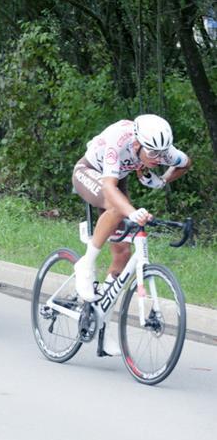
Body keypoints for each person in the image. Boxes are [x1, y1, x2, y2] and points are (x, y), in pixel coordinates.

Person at [71, 114, 191, 354]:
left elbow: (185, 163)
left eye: (162, 154)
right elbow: (108, 187)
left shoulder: (159, 149)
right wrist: (131, 212)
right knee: (118, 207)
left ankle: (101, 323)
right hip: (90, 172)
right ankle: (86, 264)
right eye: (153, 154)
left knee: (123, 254)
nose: (158, 159)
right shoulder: (119, 141)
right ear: (137, 145)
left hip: (117, 180)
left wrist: (163, 180)